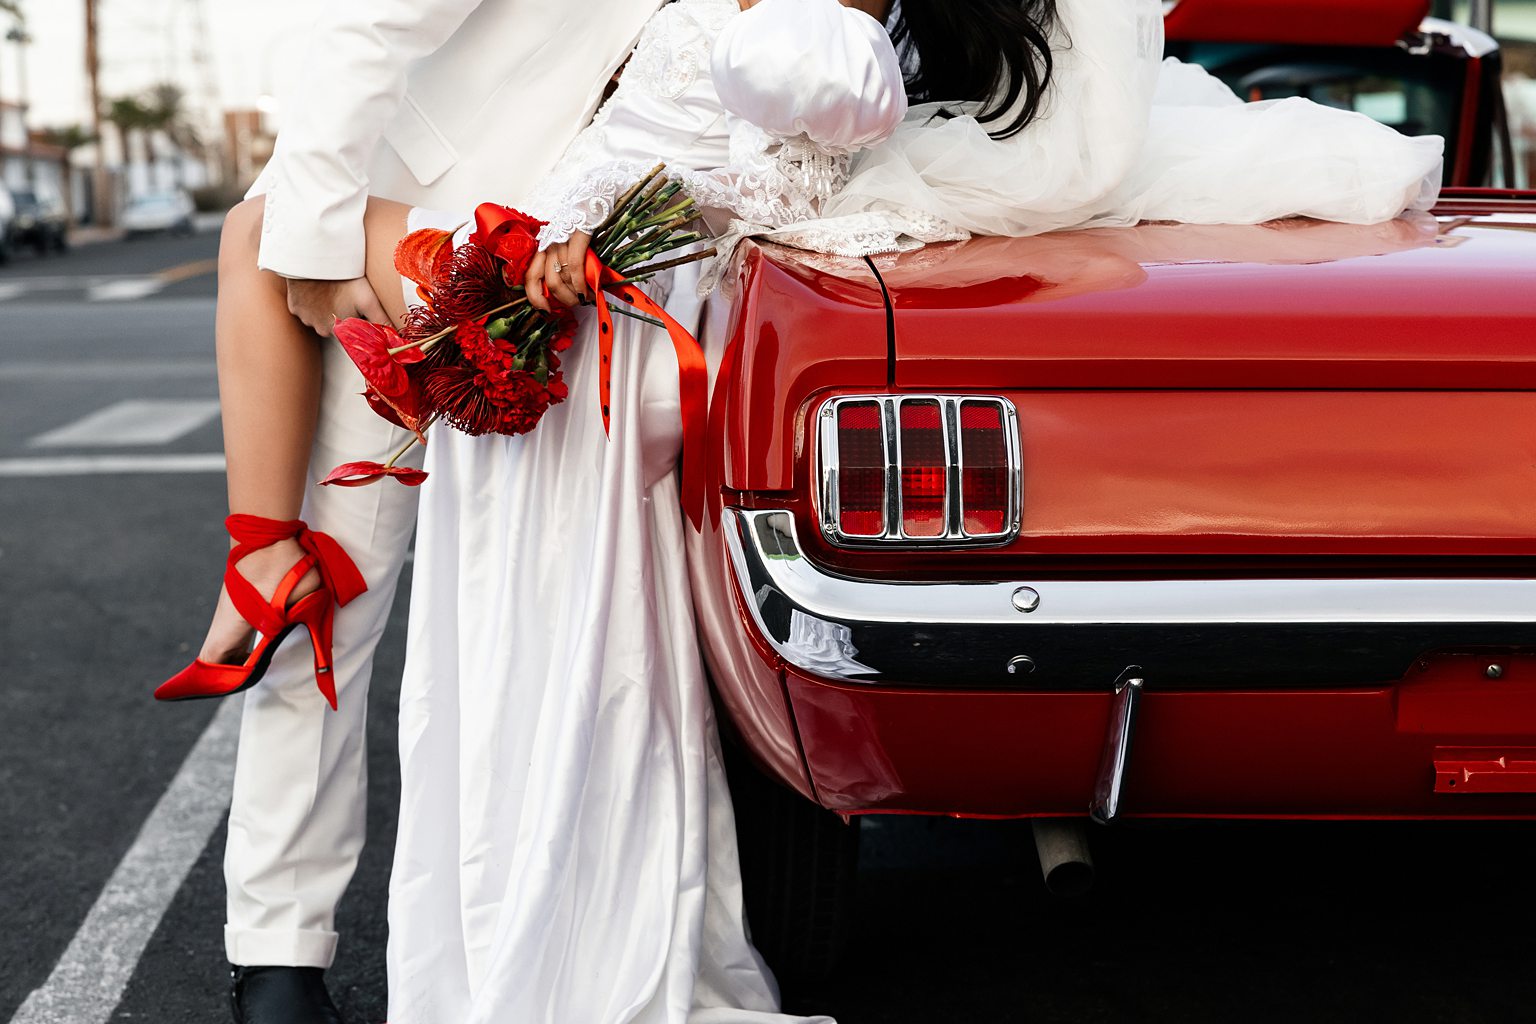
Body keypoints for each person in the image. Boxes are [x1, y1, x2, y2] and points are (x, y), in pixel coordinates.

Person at [160, 0, 1447, 1018]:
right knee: (336, 570)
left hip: (592, 256)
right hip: (430, 201)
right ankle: (278, 954)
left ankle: (279, 573)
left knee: (426, 587)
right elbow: (361, 31)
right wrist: (325, 263)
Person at [157, 2, 661, 1021]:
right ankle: (279, 966)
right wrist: (312, 238)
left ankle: (544, 928)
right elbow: (367, 20)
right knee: (336, 594)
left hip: (589, 285)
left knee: (569, 628)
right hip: (406, 242)